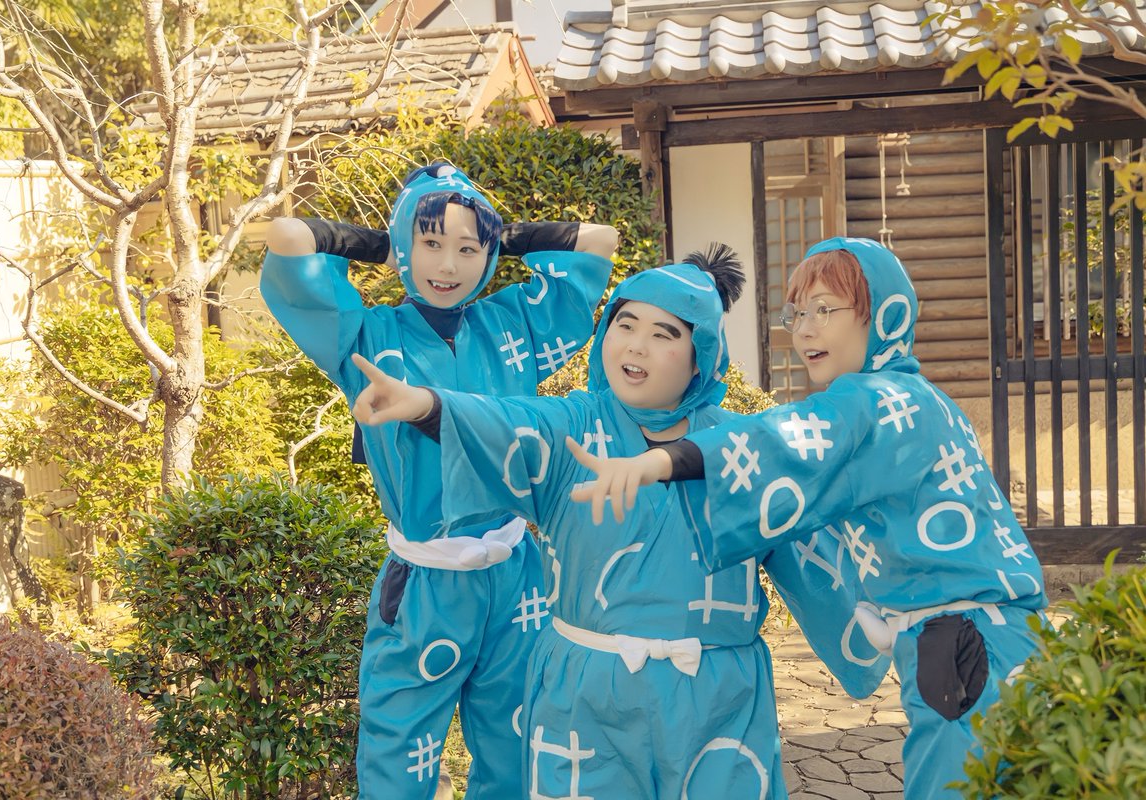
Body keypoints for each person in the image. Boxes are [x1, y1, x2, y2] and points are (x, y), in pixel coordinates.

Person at [349, 245, 889, 799]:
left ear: (700, 356)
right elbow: (503, 423)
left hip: (716, 698)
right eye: (624, 324)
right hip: (587, 699)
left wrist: (888, 616)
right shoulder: (571, 427)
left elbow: (810, 547)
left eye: (663, 334)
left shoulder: (740, 447)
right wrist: (426, 405)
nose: (635, 345)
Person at [567, 237, 1048, 799]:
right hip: (997, 635)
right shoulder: (924, 399)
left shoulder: (877, 400)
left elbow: (780, 443)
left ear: (884, 313)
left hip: (963, 643)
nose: (805, 330)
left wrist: (659, 461)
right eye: (797, 313)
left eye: (825, 310)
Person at [260, 162, 618, 799]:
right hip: (424, 581)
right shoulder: (365, 334)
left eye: (467, 249)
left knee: (517, 745)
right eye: (430, 243)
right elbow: (287, 239)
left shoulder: (511, 326)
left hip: (515, 574)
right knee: (398, 753)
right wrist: (384, 244)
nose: (448, 265)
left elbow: (598, 242)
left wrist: (502, 237)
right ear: (406, 247)